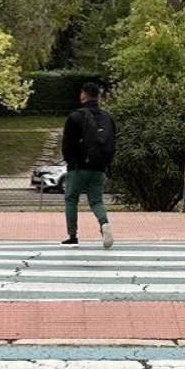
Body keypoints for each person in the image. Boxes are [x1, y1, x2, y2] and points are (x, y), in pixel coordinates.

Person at [60, 82, 116, 248]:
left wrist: (71, 161)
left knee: (71, 199)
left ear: (83, 95)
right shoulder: (107, 117)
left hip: (78, 167)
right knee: (97, 201)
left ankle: (72, 235)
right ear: (98, 96)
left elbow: (67, 144)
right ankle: (104, 223)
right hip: (99, 167)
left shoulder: (76, 116)